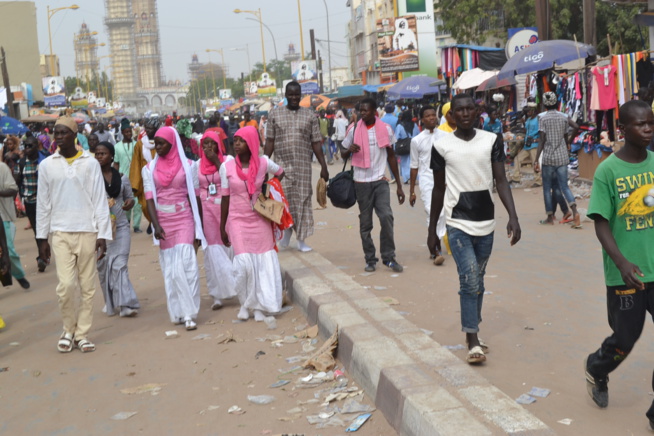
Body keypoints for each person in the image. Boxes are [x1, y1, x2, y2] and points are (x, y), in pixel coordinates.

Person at [427, 94, 521, 365]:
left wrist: (513, 217)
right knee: (468, 278)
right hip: (457, 224)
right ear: (452, 115)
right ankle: (472, 337)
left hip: (486, 223)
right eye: (460, 110)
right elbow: (439, 188)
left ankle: (473, 326)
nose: (465, 113)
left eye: (470, 108)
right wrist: (433, 229)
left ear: (477, 111)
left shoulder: (491, 140)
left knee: (478, 279)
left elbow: (501, 180)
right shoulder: (442, 146)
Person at [584, 100, 654, 427]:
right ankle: (597, 368)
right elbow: (600, 222)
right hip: (626, 274)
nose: (649, 129)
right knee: (626, 339)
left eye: (651, 123)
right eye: (641, 124)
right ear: (623, 130)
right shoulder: (607, 171)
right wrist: (623, 263)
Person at [36, 116, 112, 353]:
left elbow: (100, 199)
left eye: (63, 132)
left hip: (87, 231)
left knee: (87, 286)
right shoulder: (47, 165)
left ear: (74, 135)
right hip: (60, 232)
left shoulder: (90, 163)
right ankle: (68, 329)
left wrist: (103, 234)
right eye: (56, 133)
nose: (58, 137)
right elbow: (43, 204)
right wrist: (42, 239)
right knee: (66, 285)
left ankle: (82, 334)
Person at [143, 126, 205, 331]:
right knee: (171, 269)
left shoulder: (189, 166)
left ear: (172, 143)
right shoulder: (149, 169)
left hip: (185, 218)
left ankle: (190, 313)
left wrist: (199, 228)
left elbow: (195, 197)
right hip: (163, 221)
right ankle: (178, 311)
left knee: (186, 265)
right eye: (155, 144)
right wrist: (156, 225)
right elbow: (150, 199)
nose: (157, 147)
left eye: (161, 144)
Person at [220, 126, 285, 321]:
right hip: (237, 219)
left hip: (260, 218)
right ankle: (245, 303)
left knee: (261, 262)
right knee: (244, 265)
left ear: (252, 143)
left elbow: (280, 173)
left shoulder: (264, 163)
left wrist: (268, 188)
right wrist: (223, 227)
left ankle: (258, 306)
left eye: (241, 140)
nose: (236, 144)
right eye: (235, 140)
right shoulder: (227, 167)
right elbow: (224, 198)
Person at [341, 97, 405, 272]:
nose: (362, 113)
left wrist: (399, 185)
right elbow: (342, 152)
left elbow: (391, 156)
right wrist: (349, 150)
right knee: (366, 223)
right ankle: (370, 259)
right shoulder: (353, 129)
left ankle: (389, 257)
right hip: (361, 182)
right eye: (360, 110)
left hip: (380, 181)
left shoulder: (385, 129)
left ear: (374, 111)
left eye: (365, 110)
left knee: (386, 217)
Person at [265, 81, 329, 252]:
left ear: (300, 95)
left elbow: (316, 143)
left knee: (302, 200)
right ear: (286, 95)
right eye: (290, 94)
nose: (294, 97)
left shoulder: (309, 116)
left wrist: (324, 166)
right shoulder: (274, 115)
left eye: (296, 94)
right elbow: (270, 141)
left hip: (303, 167)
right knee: (283, 200)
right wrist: (263, 165)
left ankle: (301, 240)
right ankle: (286, 233)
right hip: (281, 168)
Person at [95, 141, 140, 317]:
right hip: (100, 230)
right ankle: (111, 301)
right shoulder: (92, 179)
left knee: (119, 265)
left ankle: (126, 304)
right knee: (104, 266)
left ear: (111, 156)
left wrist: (130, 202)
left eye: (103, 153)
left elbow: (130, 198)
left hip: (120, 227)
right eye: (97, 153)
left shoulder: (122, 178)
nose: (99, 156)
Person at [194, 130, 236, 310]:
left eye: (212, 143)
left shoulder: (228, 161)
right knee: (212, 253)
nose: (208, 147)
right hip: (207, 211)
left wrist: (217, 161)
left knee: (230, 246)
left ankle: (236, 286)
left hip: (226, 209)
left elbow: (230, 179)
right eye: (205, 144)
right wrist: (199, 219)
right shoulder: (196, 165)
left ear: (219, 145)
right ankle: (217, 294)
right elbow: (196, 192)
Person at [534, 92, 581, 228]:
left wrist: (536, 159)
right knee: (564, 186)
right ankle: (574, 211)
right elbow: (575, 128)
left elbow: (542, 141)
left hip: (548, 158)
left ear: (544, 104)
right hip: (562, 157)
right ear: (556, 103)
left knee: (547, 188)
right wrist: (569, 142)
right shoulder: (564, 116)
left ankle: (549, 217)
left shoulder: (543, 119)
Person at [409, 105, 445, 265]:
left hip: (445, 179)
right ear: (422, 120)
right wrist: (411, 191)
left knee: (443, 213)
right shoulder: (416, 141)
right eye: (428, 116)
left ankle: (435, 241)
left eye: (433, 115)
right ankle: (435, 247)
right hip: (426, 180)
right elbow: (414, 166)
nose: (432, 118)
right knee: (432, 211)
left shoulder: (445, 136)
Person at [17, 137, 48, 272]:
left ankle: (45, 250)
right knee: (37, 229)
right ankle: (41, 256)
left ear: (37, 145)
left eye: (30, 146)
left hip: (45, 201)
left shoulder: (45, 160)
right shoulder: (22, 162)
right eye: (25, 146)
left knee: (45, 228)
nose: (27, 149)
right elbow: (18, 181)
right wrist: (22, 195)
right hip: (30, 202)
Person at [0, 157, 29, 289]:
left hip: (3, 216)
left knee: (9, 251)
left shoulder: (2, 168)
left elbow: (13, 189)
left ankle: (18, 275)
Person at [130, 118, 158, 235]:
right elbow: (136, 163)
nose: (149, 130)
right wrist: (135, 184)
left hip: (160, 179)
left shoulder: (161, 141)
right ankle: (152, 221)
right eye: (147, 128)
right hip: (145, 180)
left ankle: (156, 224)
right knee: (146, 205)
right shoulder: (140, 144)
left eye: (151, 128)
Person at [114, 119, 142, 233]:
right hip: (123, 178)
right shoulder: (117, 147)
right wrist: (115, 177)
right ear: (122, 132)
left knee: (137, 204)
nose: (128, 134)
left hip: (136, 178)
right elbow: (116, 162)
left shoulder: (137, 145)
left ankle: (136, 226)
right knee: (125, 202)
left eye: (130, 132)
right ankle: (126, 223)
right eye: (126, 132)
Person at [511, 102, 542, 187]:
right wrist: (524, 123)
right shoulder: (528, 119)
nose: (527, 114)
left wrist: (536, 140)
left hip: (534, 145)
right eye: (527, 112)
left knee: (535, 163)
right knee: (517, 159)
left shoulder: (538, 119)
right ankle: (516, 178)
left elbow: (542, 134)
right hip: (527, 145)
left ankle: (538, 181)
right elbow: (526, 130)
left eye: (529, 112)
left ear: (533, 111)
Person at [394, 111, 420, 184]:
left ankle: (406, 178)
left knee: (404, 162)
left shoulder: (400, 126)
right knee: (413, 162)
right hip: (414, 145)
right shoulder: (414, 125)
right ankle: (414, 177)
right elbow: (419, 134)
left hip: (404, 146)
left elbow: (396, 137)